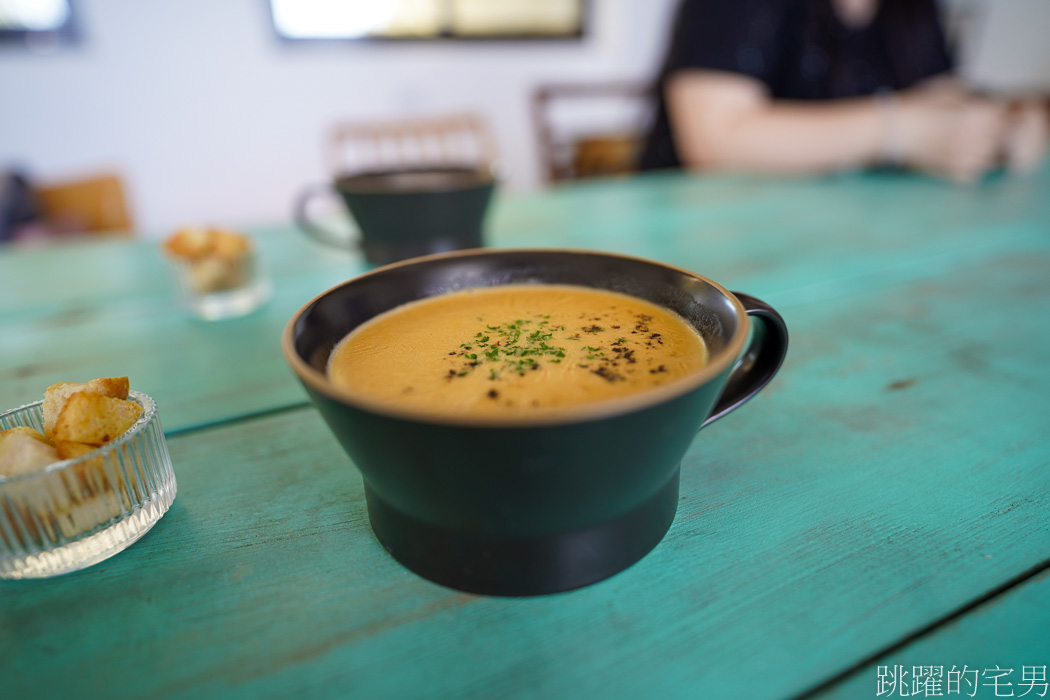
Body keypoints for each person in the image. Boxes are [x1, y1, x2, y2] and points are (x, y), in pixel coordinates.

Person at [639, 0, 1048, 183]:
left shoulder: (912, 8)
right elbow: (712, 139)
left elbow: (943, 97)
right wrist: (897, 131)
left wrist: (1008, 119)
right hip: (703, 244)